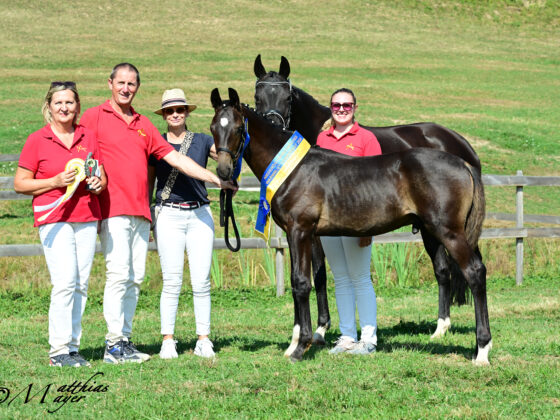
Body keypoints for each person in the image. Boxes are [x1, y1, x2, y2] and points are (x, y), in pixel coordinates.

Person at [80, 63, 235, 364]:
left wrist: (216, 179)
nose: (126, 88)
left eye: (132, 83)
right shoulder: (95, 116)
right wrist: (94, 175)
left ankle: (123, 341)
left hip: (140, 210)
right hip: (114, 208)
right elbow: (84, 153)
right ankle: (113, 344)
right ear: (110, 83)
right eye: (121, 82)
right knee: (118, 275)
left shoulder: (142, 123)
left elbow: (176, 158)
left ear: (137, 87)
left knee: (135, 276)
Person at [14, 81, 107, 367]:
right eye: (59, 103)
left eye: (70, 103)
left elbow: (100, 176)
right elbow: (20, 183)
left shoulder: (87, 136)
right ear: (49, 107)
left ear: (77, 106)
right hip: (54, 218)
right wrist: (53, 182)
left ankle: (73, 348)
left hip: (86, 217)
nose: (65, 108)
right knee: (65, 282)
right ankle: (58, 350)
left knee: (80, 285)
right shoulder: (37, 140)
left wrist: (97, 183)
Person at [148, 89, 217, 359]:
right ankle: (168, 339)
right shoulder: (156, 143)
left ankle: (203, 338)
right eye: (169, 110)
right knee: (172, 280)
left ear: (187, 112)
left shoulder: (202, 140)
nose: (175, 114)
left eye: (180, 109)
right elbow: (149, 182)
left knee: (201, 281)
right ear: (164, 115)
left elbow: (227, 154)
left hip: (199, 214)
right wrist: (149, 216)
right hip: (168, 214)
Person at [316, 88, 382, 355]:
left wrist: (370, 224)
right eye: (336, 105)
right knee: (341, 278)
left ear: (355, 107)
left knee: (360, 278)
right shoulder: (322, 137)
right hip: (329, 220)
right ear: (330, 108)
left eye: (346, 105)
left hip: (357, 220)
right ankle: (346, 337)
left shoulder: (366, 138)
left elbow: (379, 182)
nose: (341, 109)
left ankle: (369, 339)